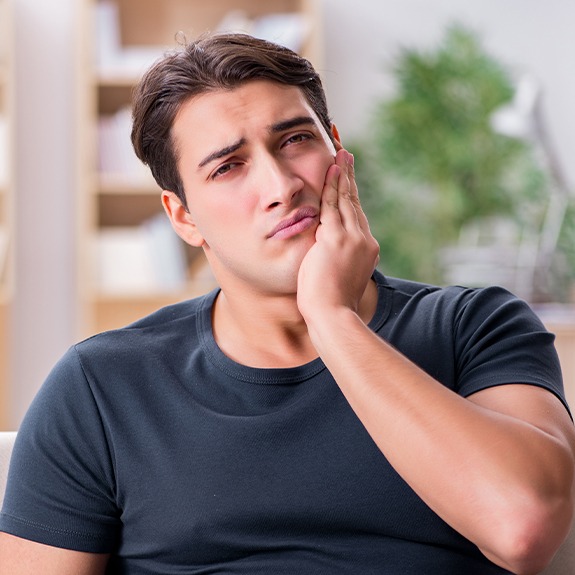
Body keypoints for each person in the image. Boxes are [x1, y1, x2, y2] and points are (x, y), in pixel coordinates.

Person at [0, 32, 574, 575]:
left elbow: (523, 527)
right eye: (228, 167)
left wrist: (331, 318)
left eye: (295, 140)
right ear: (183, 216)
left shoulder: (474, 327)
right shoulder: (100, 386)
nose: (280, 186)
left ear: (338, 152)